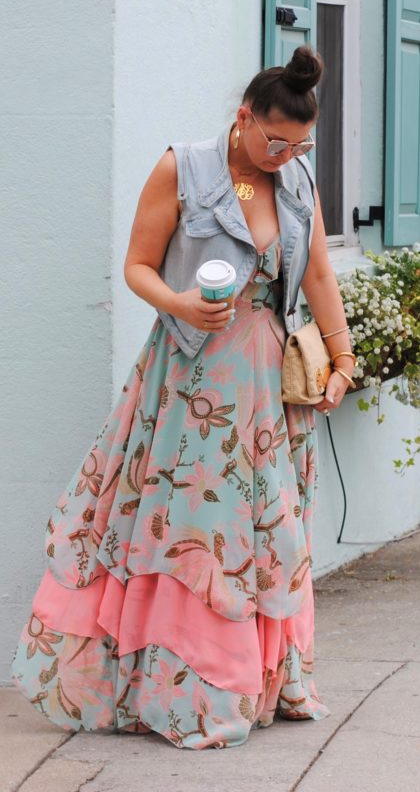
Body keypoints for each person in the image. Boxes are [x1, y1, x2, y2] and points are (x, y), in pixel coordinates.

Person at [10, 46, 355, 749]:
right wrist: (178, 302)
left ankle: (261, 682)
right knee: (191, 523)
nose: (286, 155)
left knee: (262, 529)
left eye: (301, 146)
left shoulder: (295, 183)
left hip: (266, 388)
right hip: (189, 379)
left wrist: (343, 358)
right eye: (275, 141)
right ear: (243, 119)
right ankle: (180, 695)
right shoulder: (183, 168)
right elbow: (137, 265)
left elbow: (317, 274)